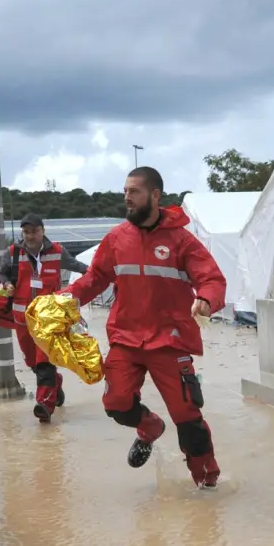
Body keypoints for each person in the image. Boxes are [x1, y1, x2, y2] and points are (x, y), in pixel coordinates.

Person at [65, 167, 228, 488]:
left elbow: (212, 278)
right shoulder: (116, 239)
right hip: (126, 338)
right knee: (116, 403)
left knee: (187, 417)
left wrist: (207, 299)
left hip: (170, 341)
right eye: (125, 191)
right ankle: (150, 427)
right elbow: (94, 279)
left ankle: (207, 484)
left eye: (134, 191)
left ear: (155, 195)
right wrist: (64, 299)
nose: (127, 197)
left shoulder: (182, 240)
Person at [0, 213, 89, 423]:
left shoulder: (57, 251)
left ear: (43, 231)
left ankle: (45, 405)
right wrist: (7, 284)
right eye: (26, 232)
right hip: (22, 319)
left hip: (49, 319)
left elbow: (77, 266)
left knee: (44, 361)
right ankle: (55, 383)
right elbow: (2, 273)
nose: (30, 236)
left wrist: (97, 274)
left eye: (34, 231)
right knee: (32, 362)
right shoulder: (12, 253)